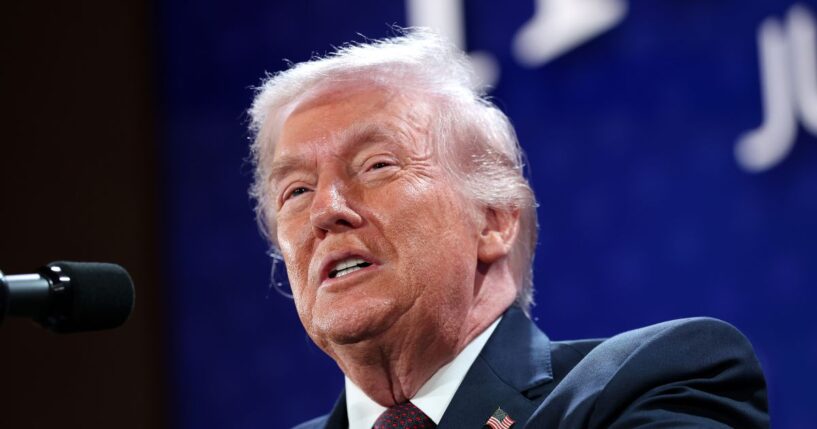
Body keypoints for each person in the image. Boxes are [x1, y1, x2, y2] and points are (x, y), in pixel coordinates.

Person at [248, 28, 768, 429]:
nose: (325, 210)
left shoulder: (651, 382)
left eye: (377, 165)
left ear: (493, 220)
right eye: (296, 191)